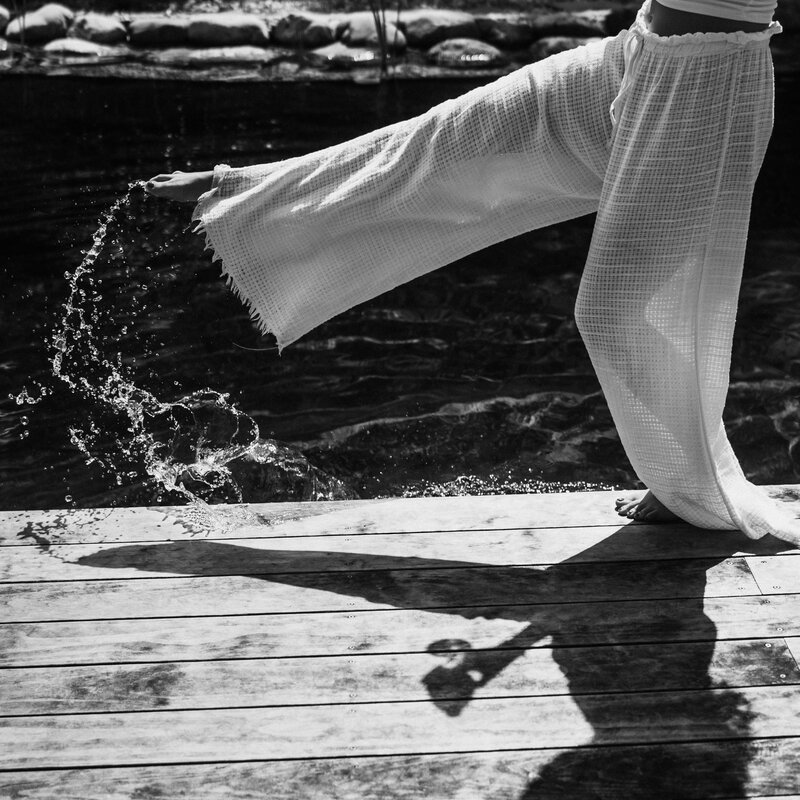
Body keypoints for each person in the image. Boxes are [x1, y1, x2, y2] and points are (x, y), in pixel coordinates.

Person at [146, 0, 800, 545]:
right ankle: (240, 192)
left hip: (704, 84)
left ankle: (694, 488)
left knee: (613, 313)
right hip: (640, 52)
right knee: (448, 141)